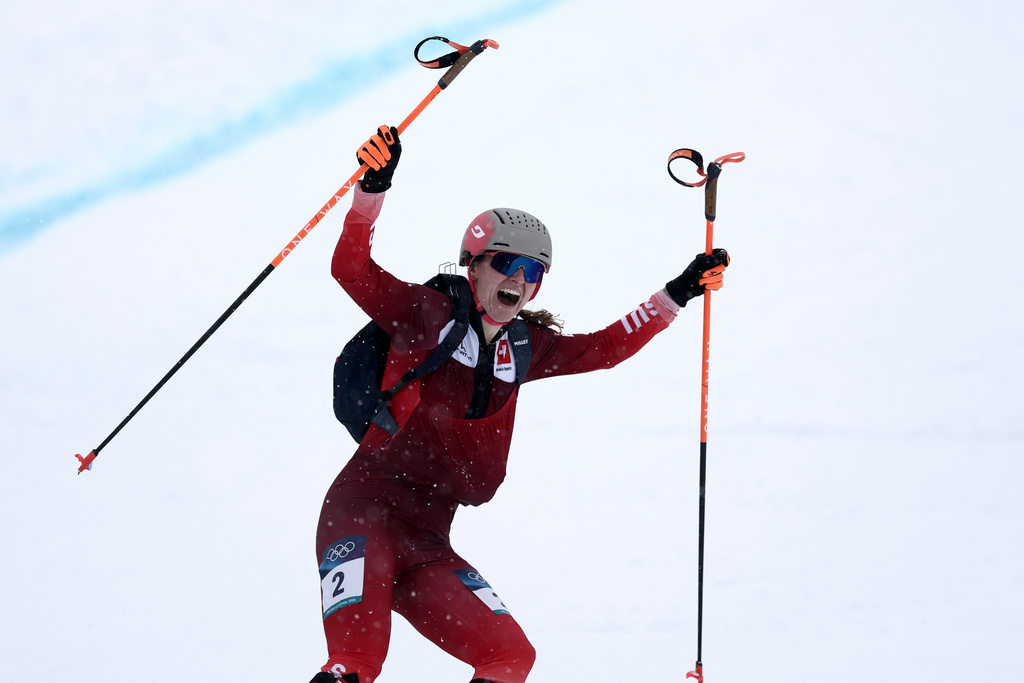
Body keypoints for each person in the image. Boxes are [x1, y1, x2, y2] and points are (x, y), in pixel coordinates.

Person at [310, 126, 730, 683]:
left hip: (428, 541)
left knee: (510, 656)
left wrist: (678, 292)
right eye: (507, 264)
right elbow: (351, 270)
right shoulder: (424, 314)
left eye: (532, 273)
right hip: (362, 516)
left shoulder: (526, 348)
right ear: (473, 265)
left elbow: (605, 348)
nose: (519, 280)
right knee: (356, 665)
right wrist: (372, 191)